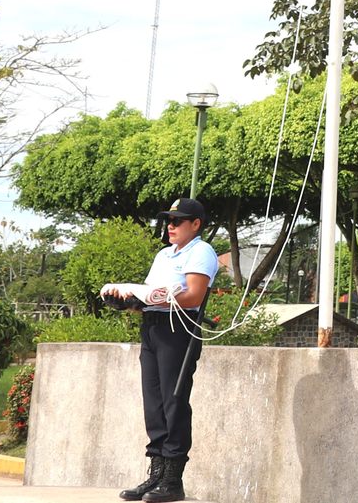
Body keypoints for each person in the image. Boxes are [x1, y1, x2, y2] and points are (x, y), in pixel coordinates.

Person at [99, 198, 219, 503]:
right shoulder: (165, 254)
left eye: (178, 221)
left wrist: (154, 299)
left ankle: (172, 479)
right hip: (153, 327)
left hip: (178, 328)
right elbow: (149, 295)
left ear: (195, 224)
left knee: (173, 401)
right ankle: (156, 474)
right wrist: (129, 302)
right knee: (153, 402)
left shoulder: (201, 251)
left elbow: (193, 296)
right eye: (168, 220)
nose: (170, 226)